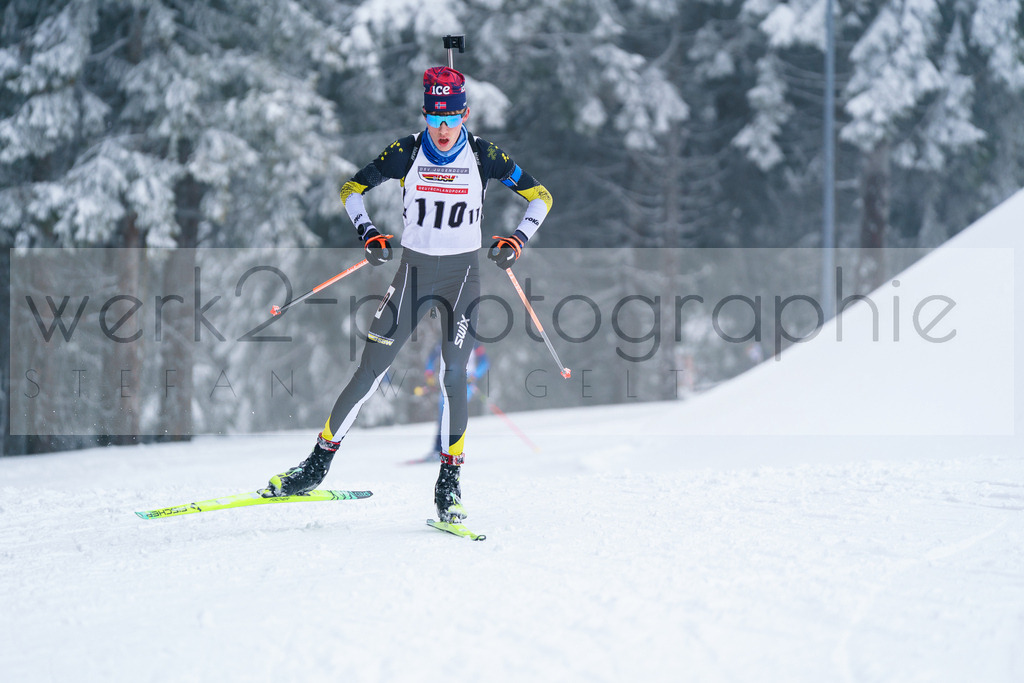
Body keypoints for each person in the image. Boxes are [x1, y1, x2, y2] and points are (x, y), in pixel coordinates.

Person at [263, 66, 553, 525]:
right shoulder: (406, 152)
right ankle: (315, 466)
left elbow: (541, 197)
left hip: (462, 279)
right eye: (435, 116)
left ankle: (449, 484)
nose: (442, 127)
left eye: (451, 117)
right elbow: (351, 189)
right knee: (370, 370)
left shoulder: (483, 155)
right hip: (413, 274)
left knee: (454, 376)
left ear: (464, 115)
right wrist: (369, 233)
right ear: (424, 113)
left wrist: (517, 239)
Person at [413, 344, 490, 463]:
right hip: (449, 381)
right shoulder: (445, 340)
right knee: (444, 413)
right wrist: (429, 374)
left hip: (466, 384)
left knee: (455, 414)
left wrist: (474, 376)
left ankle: (451, 451)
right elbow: (432, 357)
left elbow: (485, 363)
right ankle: (438, 450)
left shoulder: (475, 343)